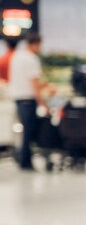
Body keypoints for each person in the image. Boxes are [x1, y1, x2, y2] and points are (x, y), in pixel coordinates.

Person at [8, 33, 48, 170]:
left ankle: (23, 159)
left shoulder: (16, 57)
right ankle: (25, 162)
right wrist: (43, 103)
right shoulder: (32, 59)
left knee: (26, 131)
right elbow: (34, 84)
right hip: (28, 100)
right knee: (29, 133)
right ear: (36, 44)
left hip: (18, 99)